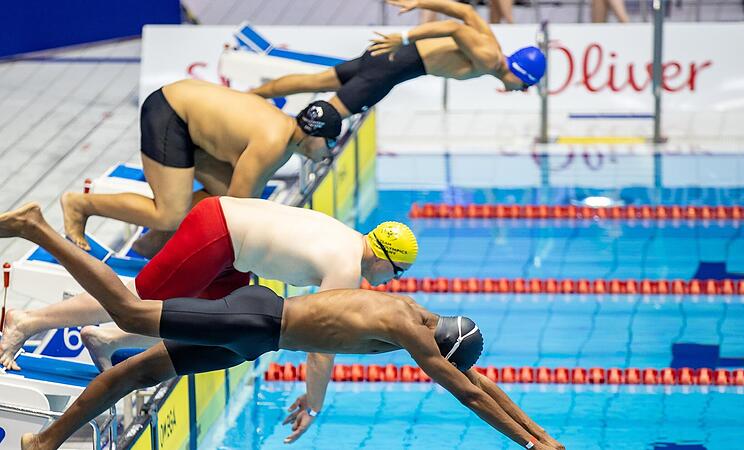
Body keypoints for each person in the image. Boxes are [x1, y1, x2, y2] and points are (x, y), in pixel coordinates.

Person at [0, 203, 563, 450]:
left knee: (138, 373)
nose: (439, 368)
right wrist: (525, 442)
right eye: (444, 362)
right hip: (257, 318)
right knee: (129, 311)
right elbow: (469, 393)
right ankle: (37, 228)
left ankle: (43, 441)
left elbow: (477, 383)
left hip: (256, 337)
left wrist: (542, 439)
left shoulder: (420, 318)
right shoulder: (406, 325)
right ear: (443, 347)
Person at [60, 79, 342, 255]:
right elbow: (238, 210)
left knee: (219, 196)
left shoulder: (284, 130)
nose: (329, 152)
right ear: (314, 135)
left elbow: (236, 202)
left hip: (187, 115)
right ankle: (81, 205)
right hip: (170, 115)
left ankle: (154, 241)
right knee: (170, 214)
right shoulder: (273, 144)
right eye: (330, 143)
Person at [250, 0, 546, 117]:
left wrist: (421, 3)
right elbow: (454, 28)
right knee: (328, 117)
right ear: (520, 74)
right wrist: (404, 37)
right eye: (525, 86)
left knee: (315, 81)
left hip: (389, 59)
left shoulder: (491, 44)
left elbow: (466, 12)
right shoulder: (489, 59)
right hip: (391, 66)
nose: (521, 90)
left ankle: (251, 96)